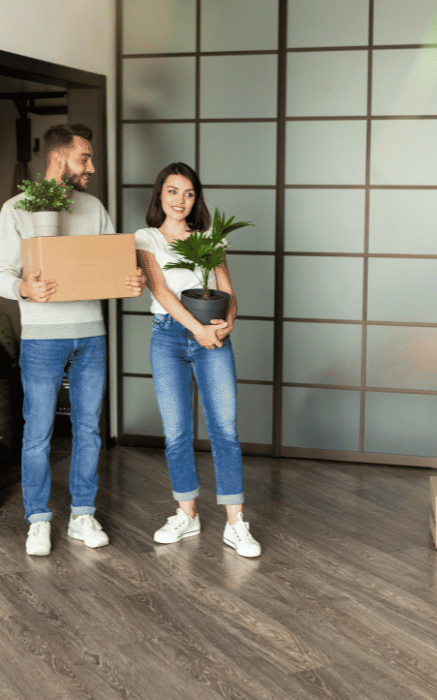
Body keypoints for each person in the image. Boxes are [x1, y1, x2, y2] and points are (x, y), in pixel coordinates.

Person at [0, 123, 144, 556]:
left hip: (91, 337)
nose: (91, 167)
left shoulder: (94, 208)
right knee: (38, 433)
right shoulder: (16, 209)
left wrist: (130, 279)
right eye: (84, 159)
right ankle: (38, 520)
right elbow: (3, 273)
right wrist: (25, 288)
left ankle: (82, 514)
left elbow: (114, 268)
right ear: (58, 159)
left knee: (88, 430)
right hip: (42, 339)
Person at [132, 162, 261, 558]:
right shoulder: (147, 237)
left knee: (224, 429)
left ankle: (236, 522)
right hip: (168, 336)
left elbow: (228, 292)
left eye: (188, 194)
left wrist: (228, 325)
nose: (180, 201)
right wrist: (197, 330)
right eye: (172, 192)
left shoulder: (208, 239)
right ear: (160, 195)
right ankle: (186, 514)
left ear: (195, 199)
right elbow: (160, 290)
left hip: (213, 336)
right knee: (176, 432)